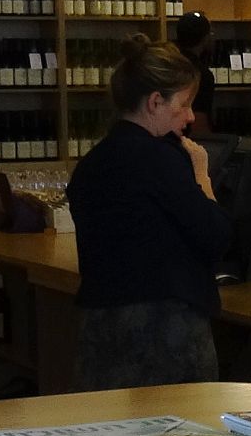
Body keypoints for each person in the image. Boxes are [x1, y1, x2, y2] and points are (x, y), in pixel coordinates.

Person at [66, 39, 228, 387]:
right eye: (184, 104)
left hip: (100, 330)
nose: (190, 117)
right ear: (155, 102)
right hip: (165, 332)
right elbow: (215, 235)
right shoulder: (162, 159)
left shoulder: (91, 164)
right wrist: (202, 173)